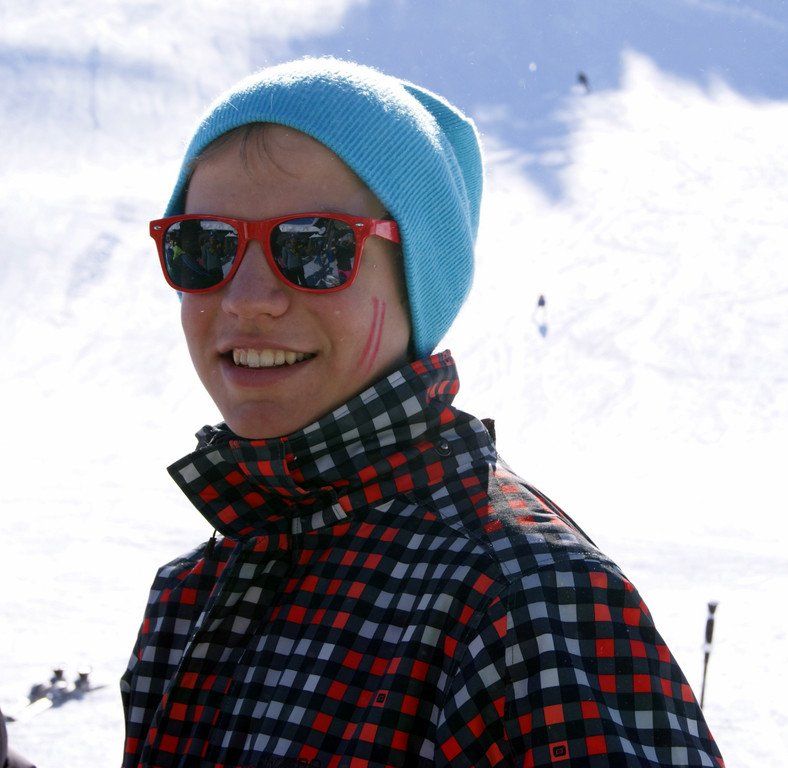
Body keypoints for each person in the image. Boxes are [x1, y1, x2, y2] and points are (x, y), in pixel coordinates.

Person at [122, 58, 724, 767]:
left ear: (418, 280)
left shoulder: (524, 602)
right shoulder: (191, 598)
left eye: (314, 248)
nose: (248, 297)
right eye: (205, 247)